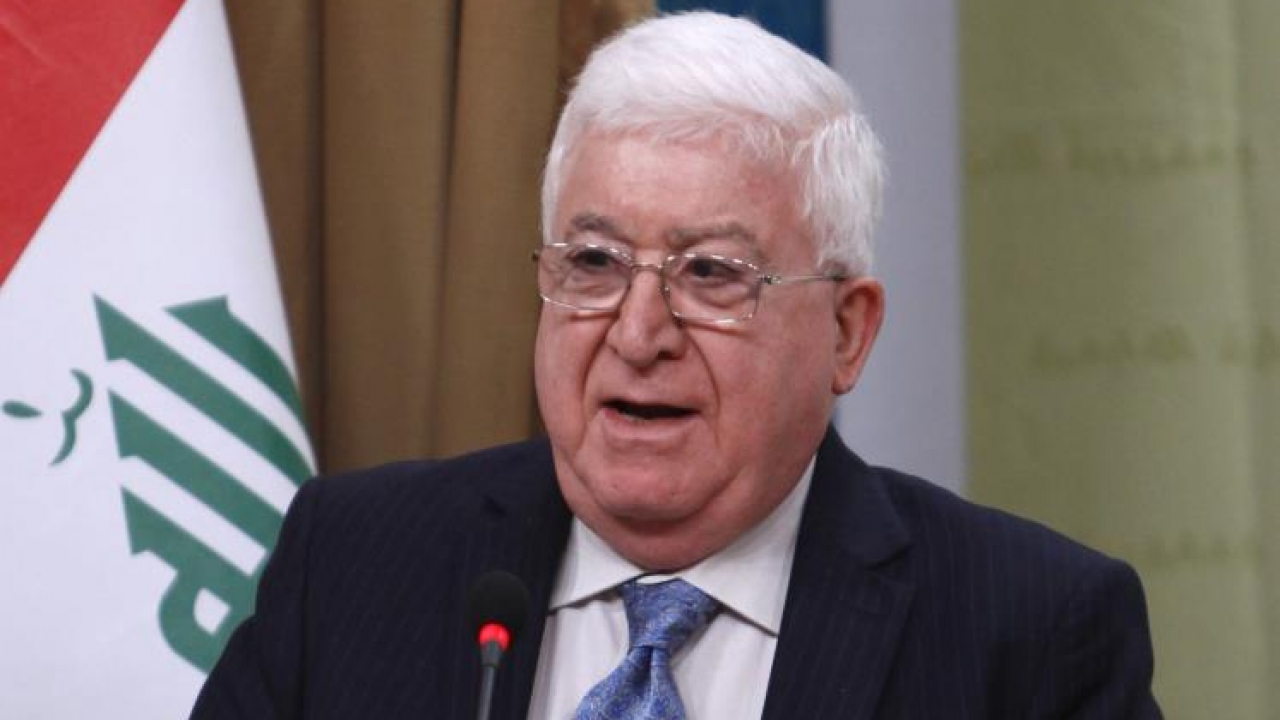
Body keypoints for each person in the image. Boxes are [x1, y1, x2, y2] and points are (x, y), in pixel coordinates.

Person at [192, 11, 1162, 720]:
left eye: (710, 273)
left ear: (845, 332)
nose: (637, 332)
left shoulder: (1029, 634)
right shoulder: (353, 565)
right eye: (593, 262)